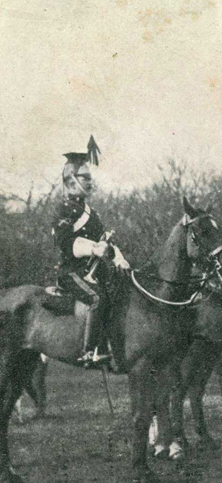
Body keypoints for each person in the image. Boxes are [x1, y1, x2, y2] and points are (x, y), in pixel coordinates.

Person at [50, 137, 129, 366]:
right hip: (72, 272)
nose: (91, 182)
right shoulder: (64, 209)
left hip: (94, 272)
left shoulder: (91, 212)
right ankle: (89, 351)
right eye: (86, 177)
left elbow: (105, 241)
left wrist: (119, 258)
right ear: (72, 181)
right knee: (97, 298)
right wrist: (94, 248)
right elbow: (66, 243)